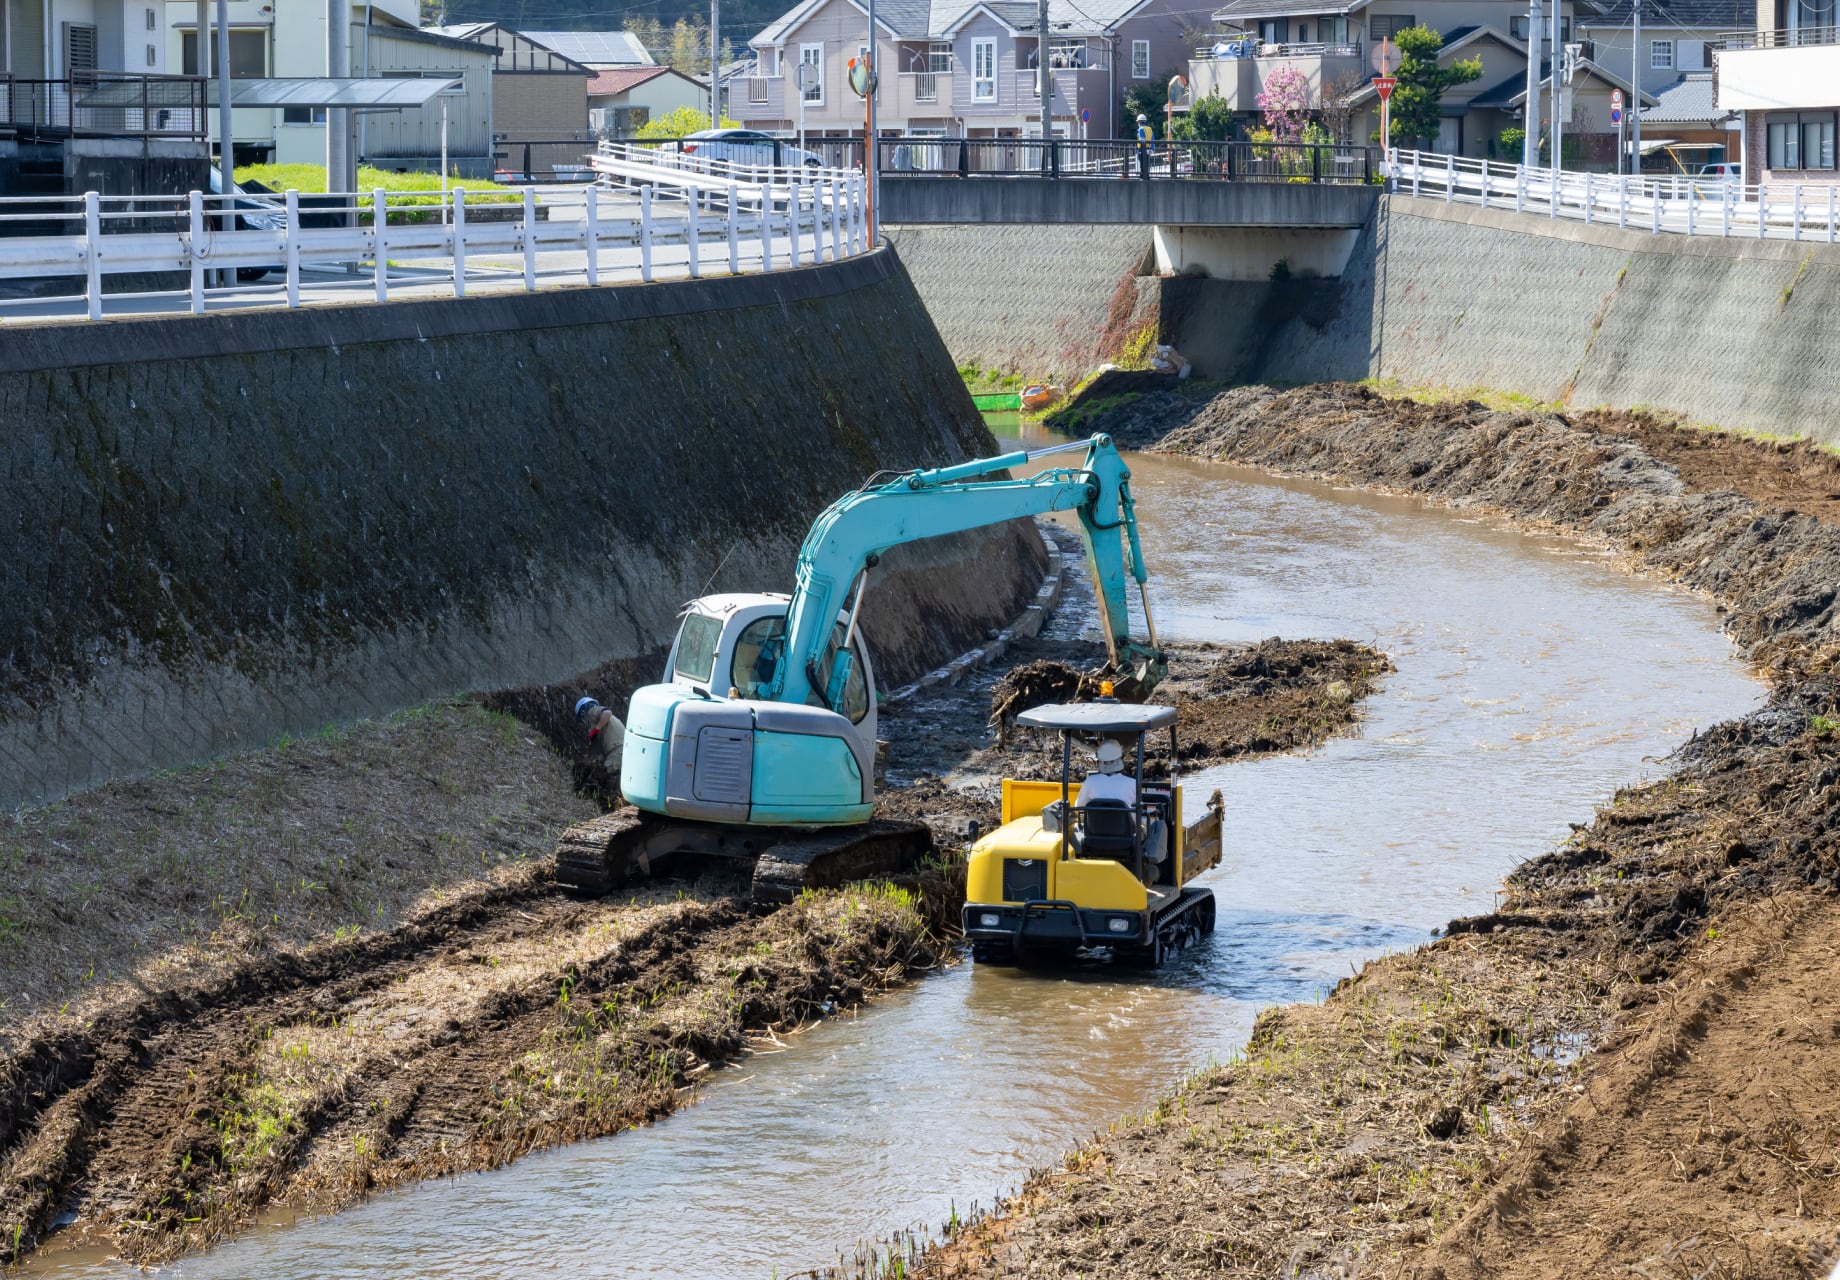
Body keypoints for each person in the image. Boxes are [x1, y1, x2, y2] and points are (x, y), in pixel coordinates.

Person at [1076, 738, 1167, 866]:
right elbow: (1136, 817)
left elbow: (1079, 806)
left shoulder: (1090, 782)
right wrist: (1151, 822)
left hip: (1093, 840)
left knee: (1075, 828)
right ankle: (1148, 869)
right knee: (1158, 825)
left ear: (1100, 760)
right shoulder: (1132, 784)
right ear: (1120, 758)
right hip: (1125, 842)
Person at [1135, 113, 1154, 180]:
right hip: (1149, 148)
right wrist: (1152, 148)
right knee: (1147, 162)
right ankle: (1147, 175)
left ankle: (1142, 175)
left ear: (1139, 122)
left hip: (1142, 148)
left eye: (1138, 122)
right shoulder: (1149, 129)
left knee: (1142, 162)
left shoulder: (1140, 129)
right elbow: (1152, 139)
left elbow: (1142, 139)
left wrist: (1138, 149)